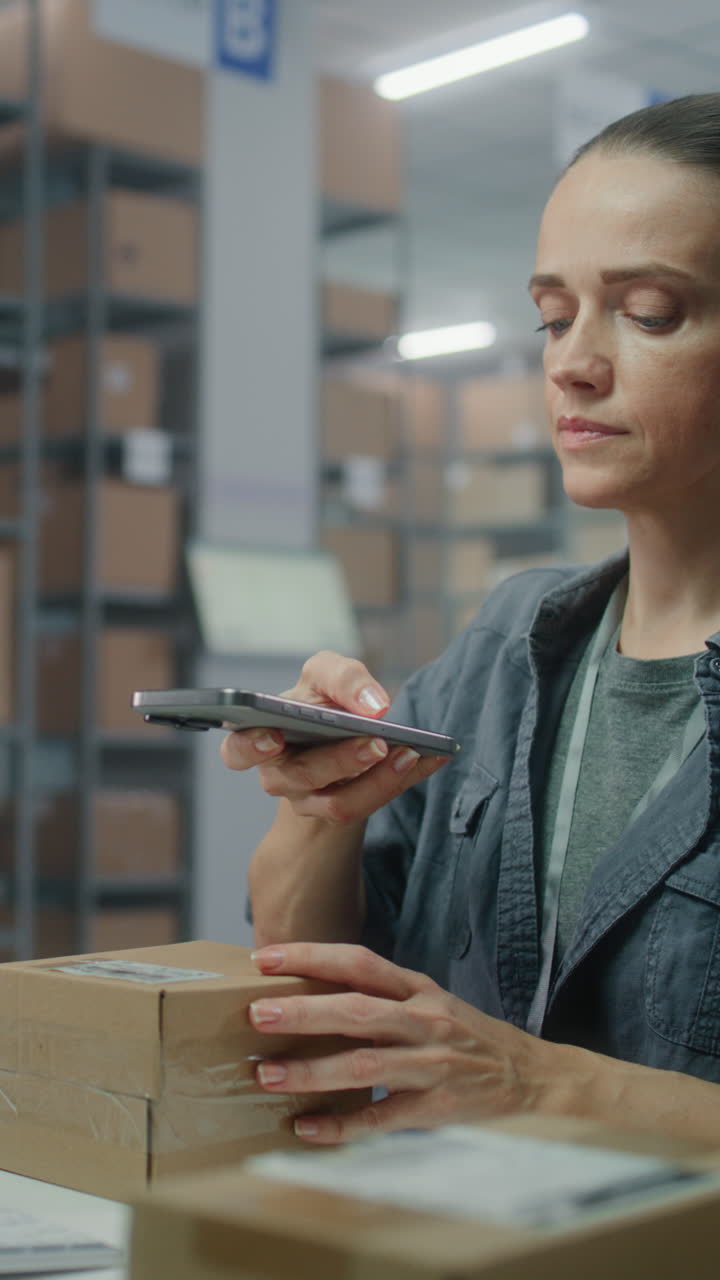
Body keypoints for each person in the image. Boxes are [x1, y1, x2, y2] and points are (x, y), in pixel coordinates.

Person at [223, 93, 720, 1147]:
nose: (571, 362)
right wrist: (327, 804)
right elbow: (312, 981)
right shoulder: (507, 643)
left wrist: (538, 1085)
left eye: (649, 312)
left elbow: (513, 1076)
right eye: (553, 315)